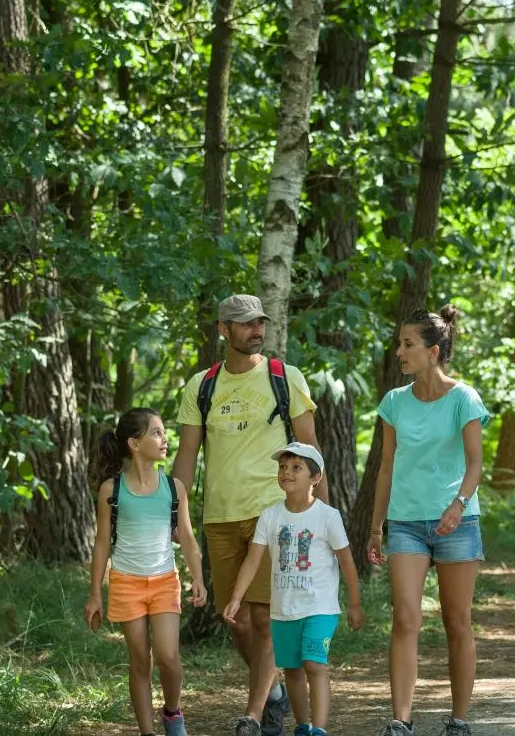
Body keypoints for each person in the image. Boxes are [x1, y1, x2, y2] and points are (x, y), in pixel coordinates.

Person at [172, 294, 323, 736]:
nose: (255, 330)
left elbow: (311, 448)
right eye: (243, 324)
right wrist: (174, 514)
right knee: (234, 620)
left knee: (262, 616)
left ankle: (255, 716)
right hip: (220, 516)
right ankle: (273, 690)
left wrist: (321, 513)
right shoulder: (201, 385)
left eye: (259, 323)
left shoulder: (284, 377)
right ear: (223, 329)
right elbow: (186, 455)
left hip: (271, 513)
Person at [368, 306, 490, 736]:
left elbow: (475, 463)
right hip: (405, 524)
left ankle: (459, 720)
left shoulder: (464, 398)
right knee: (405, 619)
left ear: (433, 352)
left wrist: (458, 504)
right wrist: (375, 526)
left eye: (408, 344)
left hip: (458, 524)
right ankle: (401, 720)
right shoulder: (394, 403)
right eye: (400, 343)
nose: (399, 352)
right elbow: (385, 468)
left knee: (457, 621)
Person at [224, 442, 364, 736]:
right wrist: (237, 598)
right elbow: (252, 561)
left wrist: (354, 602)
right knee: (293, 670)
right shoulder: (270, 515)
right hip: (284, 610)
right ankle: (303, 726)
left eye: (296, 468)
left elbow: (347, 563)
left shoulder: (328, 516)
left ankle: (320, 730)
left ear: (315, 478)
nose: (286, 472)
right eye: (283, 467)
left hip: (320, 608)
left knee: (314, 663)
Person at [85, 408, 207, 736]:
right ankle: (147, 732)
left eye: (163, 432)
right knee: (140, 660)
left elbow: (190, 540)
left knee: (168, 656)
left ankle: (172, 712)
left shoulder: (173, 487)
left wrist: (197, 577)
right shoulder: (112, 490)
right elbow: (101, 545)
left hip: (165, 581)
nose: (164, 439)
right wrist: (95, 594)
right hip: (126, 583)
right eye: (156, 433)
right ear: (134, 443)